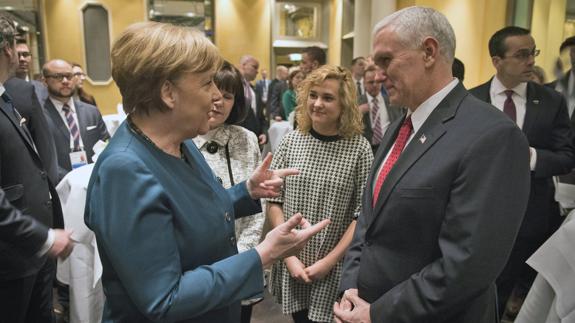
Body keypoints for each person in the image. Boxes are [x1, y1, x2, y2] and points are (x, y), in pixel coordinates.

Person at [85, 21, 330, 323]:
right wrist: (262, 254)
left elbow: (186, 213)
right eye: (206, 84)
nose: (217, 96)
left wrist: (246, 191)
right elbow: (165, 299)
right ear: (168, 93)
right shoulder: (124, 171)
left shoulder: (179, 141)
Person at [335, 7, 531, 323]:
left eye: (386, 61)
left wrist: (378, 313)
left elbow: (468, 264)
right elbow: (369, 223)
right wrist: (351, 288)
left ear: (428, 52)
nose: (377, 75)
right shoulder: (399, 127)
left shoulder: (493, 136)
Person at [470, 26, 575, 319]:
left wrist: (530, 157)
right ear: (497, 60)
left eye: (533, 53)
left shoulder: (551, 101)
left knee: (512, 293)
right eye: (522, 54)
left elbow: (566, 156)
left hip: (530, 218)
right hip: (477, 214)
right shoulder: (471, 100)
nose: (530, 61)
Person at [268, 65, 373, 323]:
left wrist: (328, 262)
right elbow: (273, 200)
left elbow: (361, 216)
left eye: (327, 97)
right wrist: (289, 255)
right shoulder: (291, 141)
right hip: (294, 262)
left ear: (344, 104)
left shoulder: (359, 149)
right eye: (313, 95)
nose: (317, 103)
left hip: (334, 266)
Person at [0, 13, 74, 322]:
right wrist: (42, 237)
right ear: (8, 51)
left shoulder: (8, 95)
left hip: (32, 250)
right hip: (12, 254)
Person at [192, 61, 265, 323]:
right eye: (213, 93)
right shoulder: (181, 139)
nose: (218, 102)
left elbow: (259, 203)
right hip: (199, 269)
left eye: (228, 96)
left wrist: (243, 254)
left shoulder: (246, 138)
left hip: (243, 259)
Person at [42, 59, 110, 182]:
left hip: (95, 181)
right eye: (58, 77)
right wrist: (72, 180)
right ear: (45, 81)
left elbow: (106, 144)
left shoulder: (91, 111)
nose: (65, 81)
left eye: (69, 76)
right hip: (61, 186)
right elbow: (43, 159)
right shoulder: (39, 116)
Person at [358, 64, 404, 152]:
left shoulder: (392, 101)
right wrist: (357, 113)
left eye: (377, 82)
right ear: (364, 83)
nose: (375, 85)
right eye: (371, 82)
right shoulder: (357, 103)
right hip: (366, 150)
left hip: (388, 148)